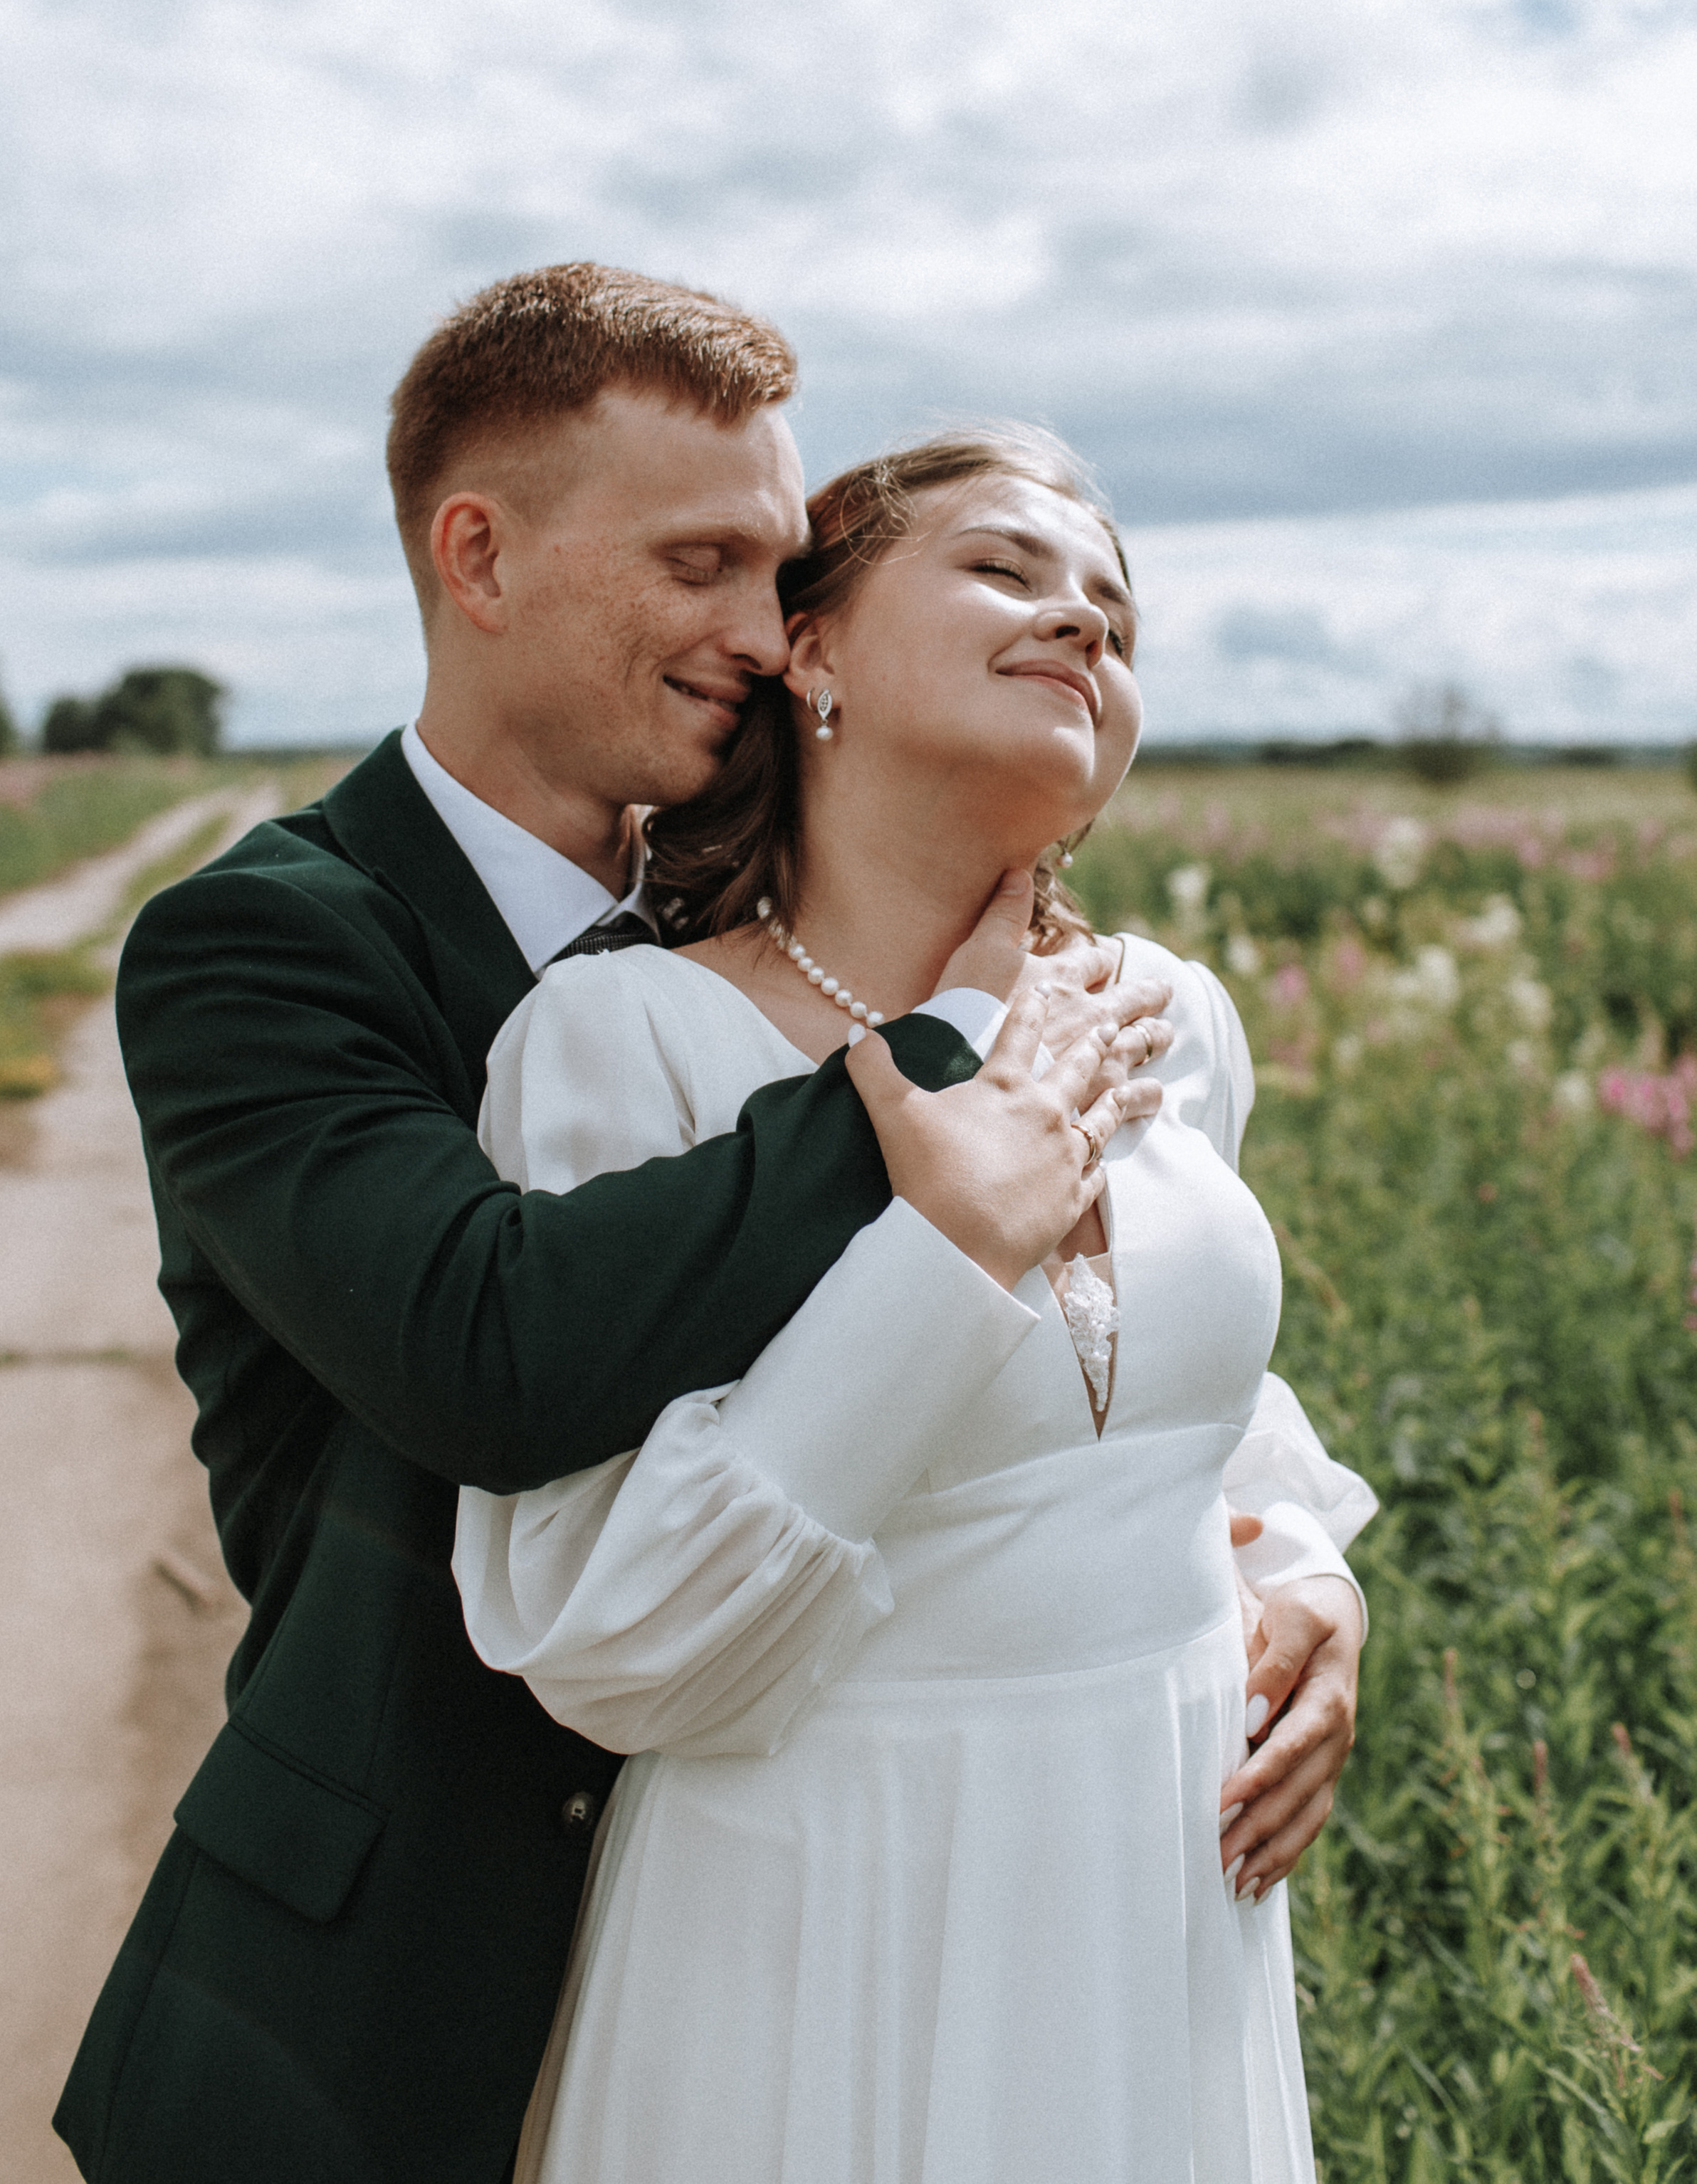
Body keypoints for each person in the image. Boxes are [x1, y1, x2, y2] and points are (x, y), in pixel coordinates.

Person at [53, 267, 1184, 2184]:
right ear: (477, 559)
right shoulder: (266, 943)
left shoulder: (768, 913)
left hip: (798, 1927)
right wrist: (948, 1064)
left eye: (785, 574)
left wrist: (1287, 1547)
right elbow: (484, 1347)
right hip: (398, 1987)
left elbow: (1063, 1352)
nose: (763, 629)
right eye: (701, 565)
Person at [453, 426, 1377, 2184]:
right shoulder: (624, 1044)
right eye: (1006, 571)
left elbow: (1182, 1398)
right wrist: (946, 1254)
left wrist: (1303, 1573)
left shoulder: (1163, 1017)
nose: (1078, 622)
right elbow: (610, 1637)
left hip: (1162, 1891)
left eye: (1109, 606)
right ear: (810, 651)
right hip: (825, 1903)